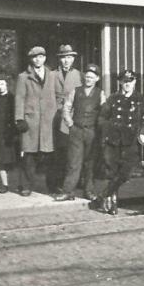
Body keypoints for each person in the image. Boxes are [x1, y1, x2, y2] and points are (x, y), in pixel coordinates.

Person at [93, 70, 144, 215]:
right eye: (124, 81)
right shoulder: (113, 98)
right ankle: (113, 203)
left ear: (134, 82)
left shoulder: (139, 99)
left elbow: (142, 118)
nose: (127, 84)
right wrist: (107, 132)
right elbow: (102, 118)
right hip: (114, 140)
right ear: (120, 82)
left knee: (125, 173)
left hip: (130, 141)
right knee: (113, 172)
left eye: (130, 81)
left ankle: (103, 195)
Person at [54, 63, 105, 201]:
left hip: (92, 133)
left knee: (90, 163)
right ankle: (68, 191)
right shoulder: (75, 91)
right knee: (73, 162)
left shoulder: (100, 93)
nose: (88, 79)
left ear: (97, 79)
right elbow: (66, 108)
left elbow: (104, 112)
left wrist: (100, 128)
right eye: (87, 77)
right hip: (76, 131)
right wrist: (70, 123)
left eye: (92, 77)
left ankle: (89, 191)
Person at [14, 46, 57, 196]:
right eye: (35, 57)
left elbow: (57, 95)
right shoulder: (23, 77)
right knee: (29, 156)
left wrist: (56, 114)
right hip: (31, 121)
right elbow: (19, 98)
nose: (38, 60)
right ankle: (26, 186)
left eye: (41, 56)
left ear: (45, 58)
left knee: (49, 156)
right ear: (31, 59)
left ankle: (52, 186)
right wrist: (19, 118)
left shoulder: (52, 75)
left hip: (48, 121)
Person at [51, 44, 83, 193]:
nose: (66, 61)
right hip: (55, 116)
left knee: (72, 150)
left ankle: (72, 182)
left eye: (69, 57)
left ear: (73, 59)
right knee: (58, 151)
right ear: (60, 59)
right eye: (63, 58)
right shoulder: (52, 75)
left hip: (71, 116)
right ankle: (56, 183)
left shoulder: (78, 75)